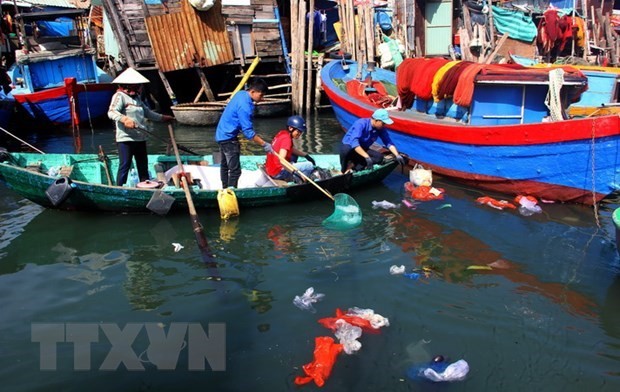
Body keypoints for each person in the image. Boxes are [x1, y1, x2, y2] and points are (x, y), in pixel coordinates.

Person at [108, 67, 175, 186]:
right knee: (125, 165)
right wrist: (124, 119)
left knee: (143, 165)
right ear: (129, 85)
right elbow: (112, 112)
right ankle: (119, 187)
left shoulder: (137, 98)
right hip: (126, 138)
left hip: (140, 137)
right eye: (137, 85)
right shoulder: (120, 96)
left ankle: (144, 186)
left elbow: (148, 113)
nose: (139, 87)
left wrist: (162, 117)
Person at [215, 78, 273, 189]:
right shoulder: (245, 106)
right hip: (228, 138)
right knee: (235, 171)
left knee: (225, 166)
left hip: (221, 134)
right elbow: (248, 132)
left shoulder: (241, 94)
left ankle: (225, 188)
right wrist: (264, 144)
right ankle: (231, 192)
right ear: (252, 92)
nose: (262, 99)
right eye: (261, 96)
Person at [340, 108, 405, 173]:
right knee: (346, 150)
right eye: (383, 123)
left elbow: (388, 142)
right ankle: (344, 169)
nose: (384, 125)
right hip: (351, 147)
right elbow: (354, 143)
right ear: (376, 120)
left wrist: (397, 155)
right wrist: (367, 157)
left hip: (363, 148)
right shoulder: (360, 124)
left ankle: (354, 165)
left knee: (379, 157)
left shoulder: (380, 128)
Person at [264, 115, 315, 183]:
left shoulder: (282, 133)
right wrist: (294, 172)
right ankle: (302, 181)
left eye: (301, 132)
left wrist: (305, 155)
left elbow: (290, 149)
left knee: (294, 156)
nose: (300, 133)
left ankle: (295, 176)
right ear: (291, 128)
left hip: (270, 169)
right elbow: (281, 160)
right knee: (309, 165)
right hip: (278, 172)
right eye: (298, 131)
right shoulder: (287, 139)